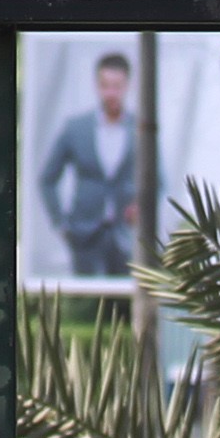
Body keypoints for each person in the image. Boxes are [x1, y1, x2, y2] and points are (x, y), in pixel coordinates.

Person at [37, 52, 145, 280]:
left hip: (124, 235)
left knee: (123, 306)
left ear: (128, 86)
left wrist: (141, 207)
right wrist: (60, 223)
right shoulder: (76, 128)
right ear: (97, 86)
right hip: (84, 233)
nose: (111, 93)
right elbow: (47, 178)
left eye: (117, 86)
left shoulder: (141, 129)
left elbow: (158, 181)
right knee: (86, 307)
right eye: (105, 85)